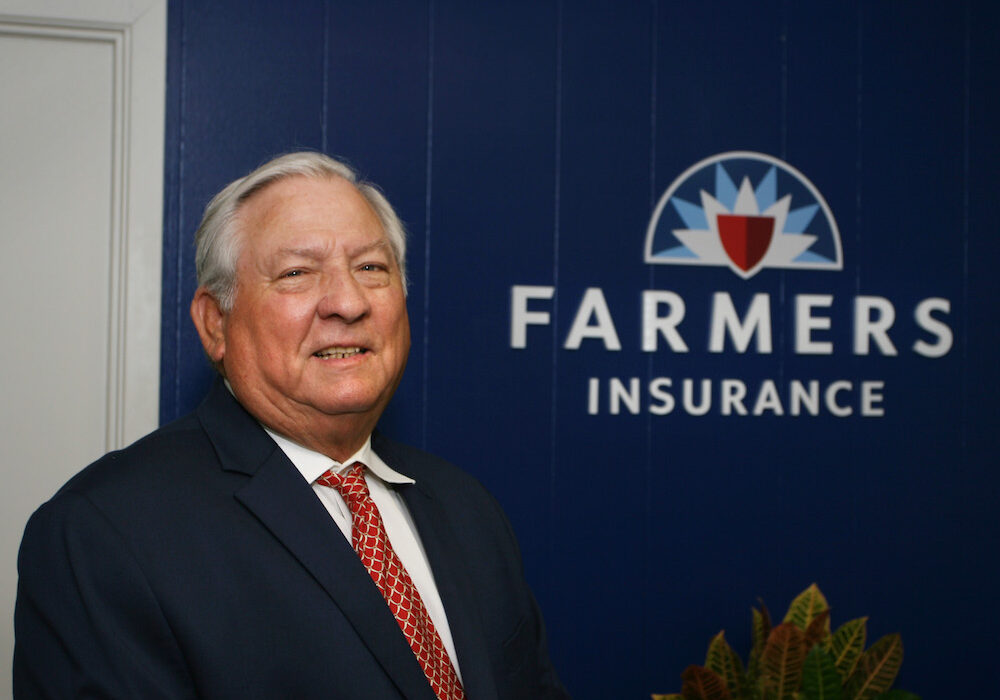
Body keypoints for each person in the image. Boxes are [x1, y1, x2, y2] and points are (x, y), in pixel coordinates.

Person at [13, 152, 569, 699]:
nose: (348, 302)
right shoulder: (103, 533)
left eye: (371, 268)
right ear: (215, 323)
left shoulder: (465, 507)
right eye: (297, 273)